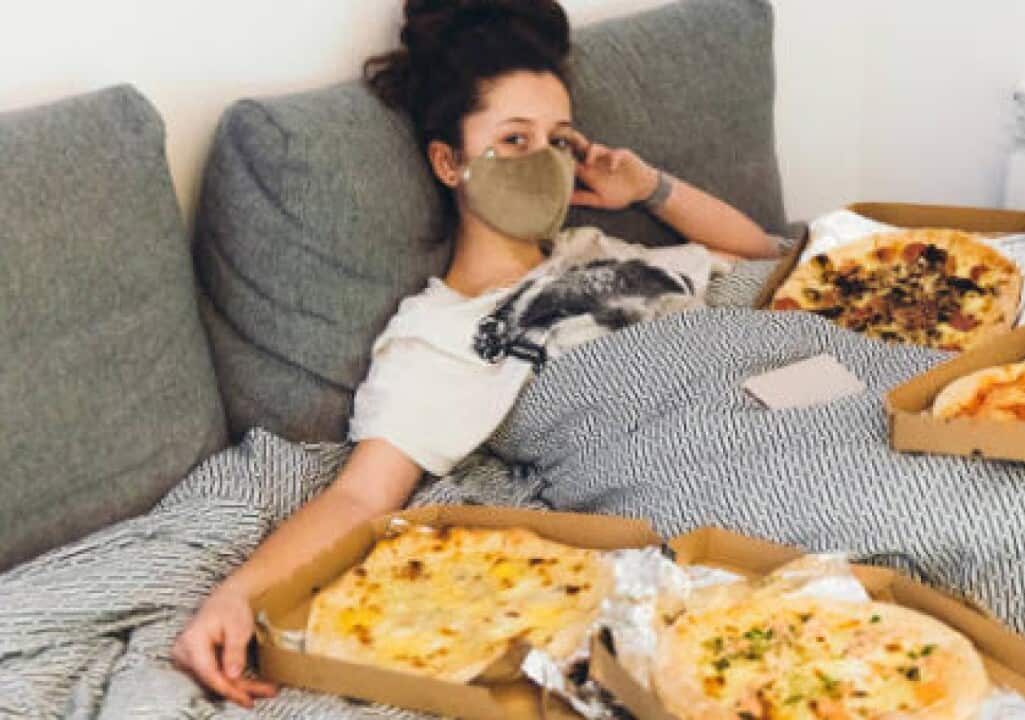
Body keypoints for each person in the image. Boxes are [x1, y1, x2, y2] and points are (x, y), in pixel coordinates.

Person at [170, 0, 780, 706]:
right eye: (514, 140)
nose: (542, 162)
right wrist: (238, 597)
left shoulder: (600, 250)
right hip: (690, 457)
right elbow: (363, 494)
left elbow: (762, 254)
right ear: (449, 161)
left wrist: (646, 188)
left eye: (558, 141)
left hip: (762, 394)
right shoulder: (444, 329)